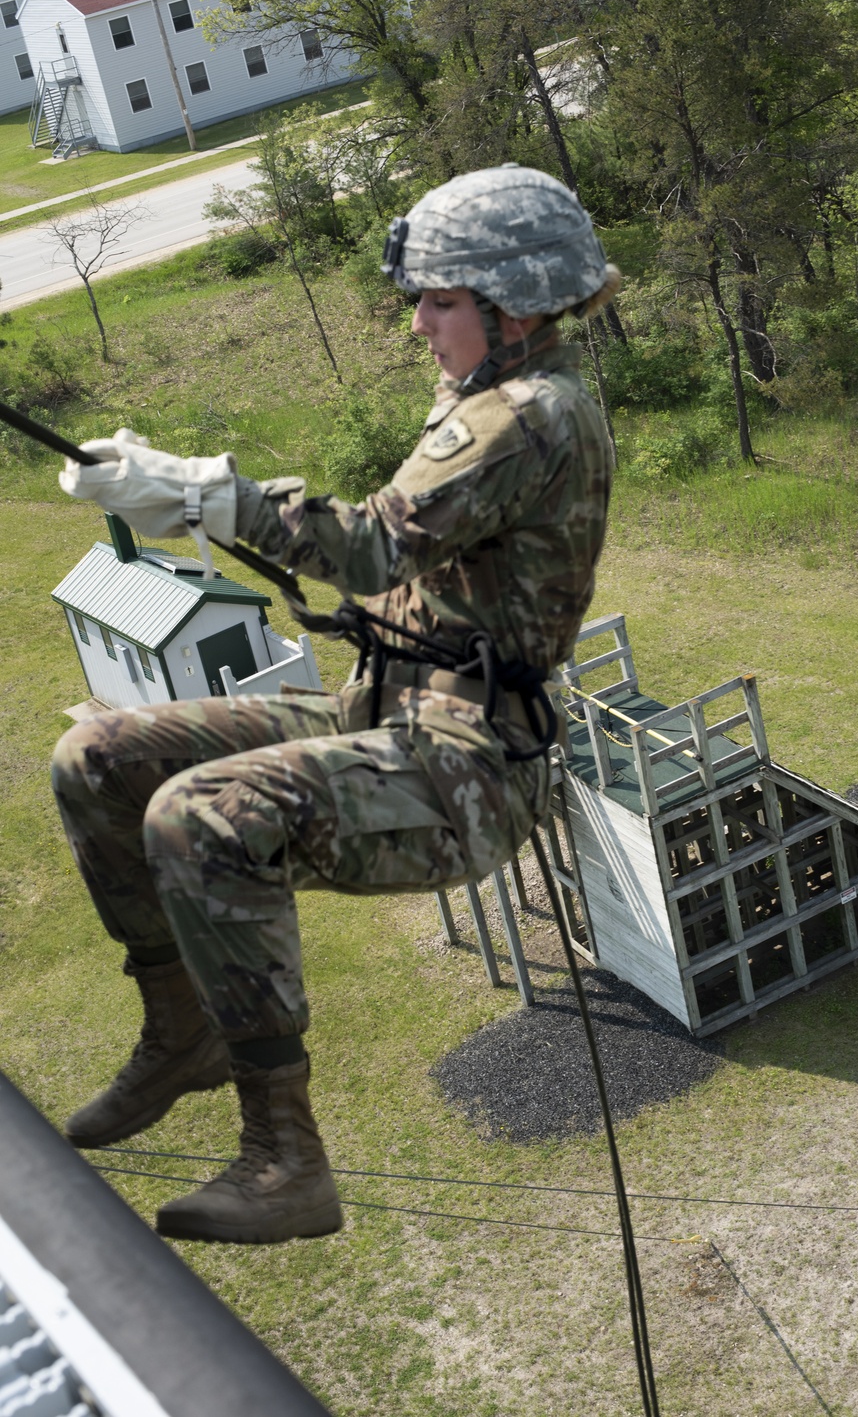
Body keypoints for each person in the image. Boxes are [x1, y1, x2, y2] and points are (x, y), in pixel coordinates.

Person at [53, 164, 619, 1245]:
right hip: (382, 714)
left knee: (199, 814)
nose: (418, 324)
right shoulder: (482, 396)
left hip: (466, 766)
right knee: (99, 757)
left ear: (518, 306)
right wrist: (186, 494)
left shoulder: (529, 417)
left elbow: (366, 547)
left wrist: (197, 492)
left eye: (441, 300)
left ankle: (285, 1160)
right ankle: (183, 1032)